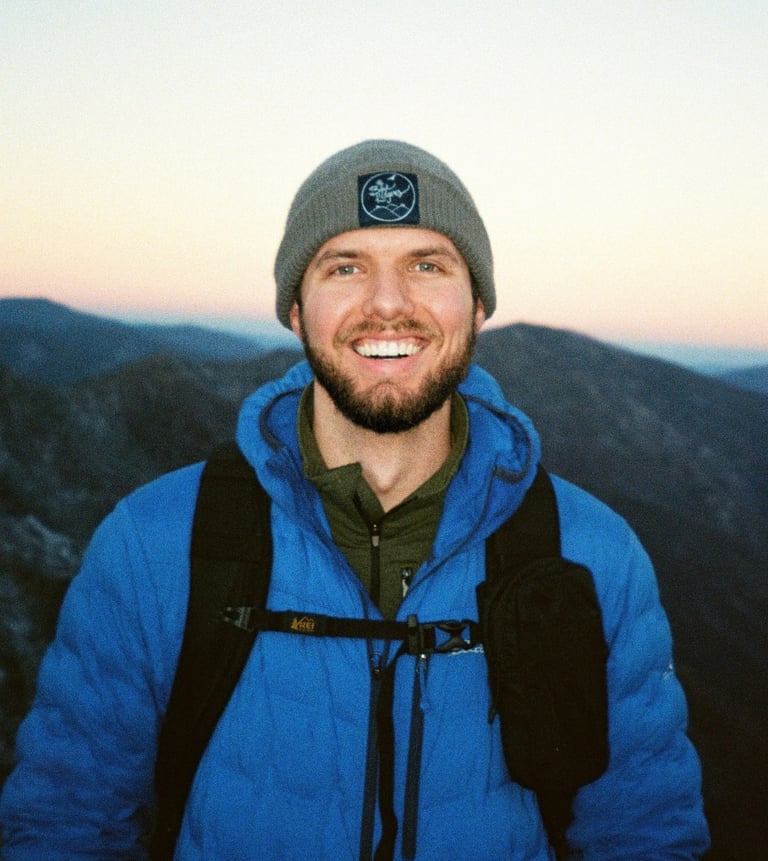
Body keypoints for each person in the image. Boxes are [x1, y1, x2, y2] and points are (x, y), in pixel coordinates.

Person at [0, 140, 709, 859]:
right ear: (296, 312)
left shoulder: (592, 553)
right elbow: (64, 827)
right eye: (345, 267)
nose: (389, 304)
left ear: (480, 303)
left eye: (427, 265)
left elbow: (645, 833)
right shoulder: (154, 547)